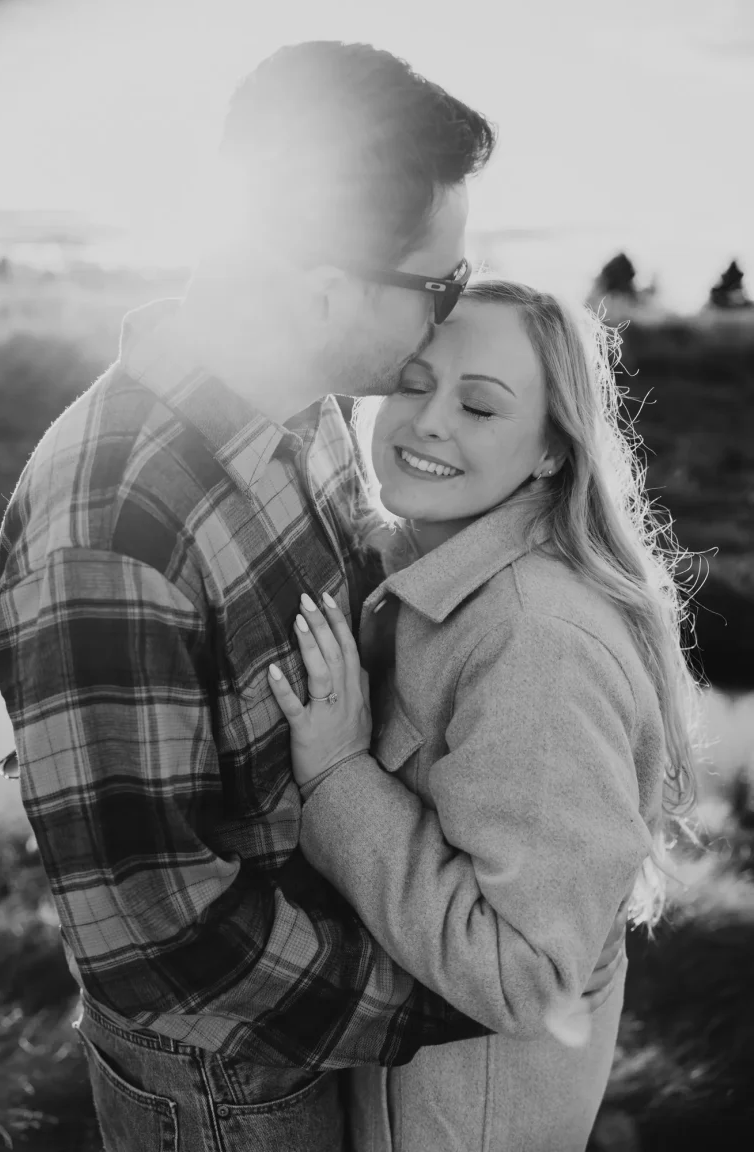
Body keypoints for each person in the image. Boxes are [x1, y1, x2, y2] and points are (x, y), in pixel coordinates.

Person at [0, 44, 622, 1152]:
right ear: (329, 288)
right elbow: (169, 940)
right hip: (228, 1085)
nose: (447, 314)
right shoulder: (110, 533)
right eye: (440, 286)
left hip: (325, 1037)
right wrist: (478, 989)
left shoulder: (305, 411)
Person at [268, 279, 699, 1151]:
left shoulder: (534, 643)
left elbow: (525, 974)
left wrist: (340, 776)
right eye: (415, 383)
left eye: (480, 405)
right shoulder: (425, 569)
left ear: (550, 450)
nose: (429, 421)